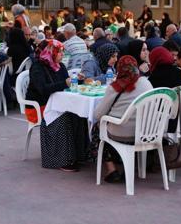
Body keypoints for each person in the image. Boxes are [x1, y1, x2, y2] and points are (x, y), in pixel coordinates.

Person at [26, 39, 89, 171]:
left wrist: (79, 81)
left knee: (79, 113)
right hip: (39, 106)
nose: (62, 55)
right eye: (59, 52)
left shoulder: (60, 66)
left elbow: (67, 86)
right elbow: (42, 89)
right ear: (50, 52)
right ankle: (62, 160)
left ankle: (79, 154)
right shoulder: (37, 67)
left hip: (58, 103)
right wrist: (64, 83)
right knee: (64, 116)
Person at [93, 55, 153, 182]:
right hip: (146, 131)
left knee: (97, 128)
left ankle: (111, 169)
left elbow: (97, 115)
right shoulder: (146, 83)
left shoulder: (114, 87)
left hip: (122, 133)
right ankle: (127, 165)